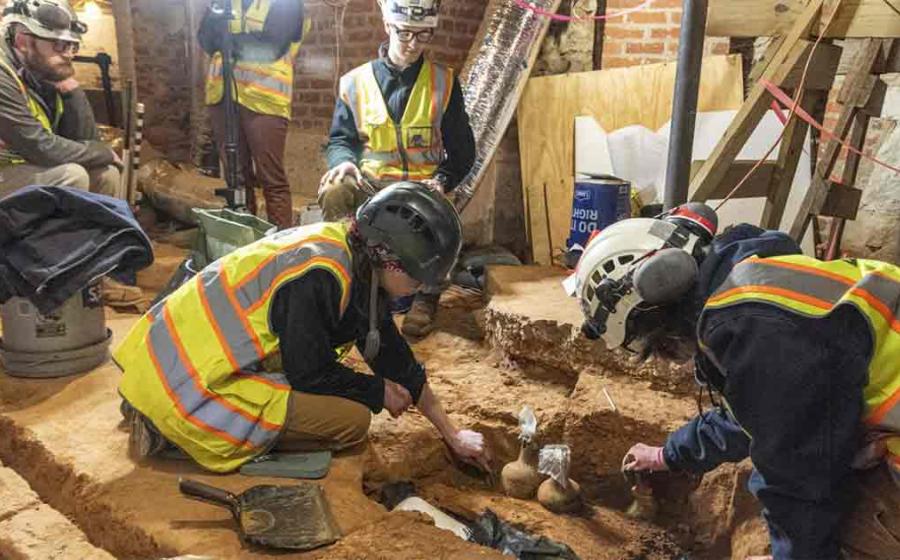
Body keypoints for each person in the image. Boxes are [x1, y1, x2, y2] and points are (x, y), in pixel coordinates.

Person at [570, 203, 900, 559]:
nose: (667, 356)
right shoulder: (747, 280)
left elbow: (798, 474)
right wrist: (669, 454)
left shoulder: (756, 328)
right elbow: (757, 413)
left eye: (656, 345)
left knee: (852, 529)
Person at [115, 182, 492, 476]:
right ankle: (172, 435)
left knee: (340, 394)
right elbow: (309, 372)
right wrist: (376, 390)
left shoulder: (353, 257)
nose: (421, 288)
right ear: (392, 261)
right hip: (186, 389)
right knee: (351, 421)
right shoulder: (319, 276)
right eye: (419, 278)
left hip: (175, 365)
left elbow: (393, 355)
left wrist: (453, 434)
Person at [319, 0, 475, 337]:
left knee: (439, 210)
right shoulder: (354, 82)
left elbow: (463, 151)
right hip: (372, 186)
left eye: (423, 35)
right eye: (405, 33)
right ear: (387, 26)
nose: (413, 44)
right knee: (335, 189)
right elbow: (340, 139)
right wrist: (343, 161)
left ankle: (426, 296)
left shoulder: (444, 82)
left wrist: (442, 180)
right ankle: (346, 281)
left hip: (422, 190)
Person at [199, 0, 308, 230]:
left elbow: (272, 46)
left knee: (271, 179)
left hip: (265, 97)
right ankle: (245, 240)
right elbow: (205, 39)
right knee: (236, 179)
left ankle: (281, 244)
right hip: (223, 96)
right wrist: (243, 40)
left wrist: (227, 41)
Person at [0, 0, 120, 199]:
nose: (69, 55)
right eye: (59, 45)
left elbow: (86, 140)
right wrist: (103, 153)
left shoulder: (36, 71)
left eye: (73, 46)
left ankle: (103, 221)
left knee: (106, 175)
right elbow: (38, 146)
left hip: (22, 166)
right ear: (22, 42)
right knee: (71, 175)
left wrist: (71, 90)